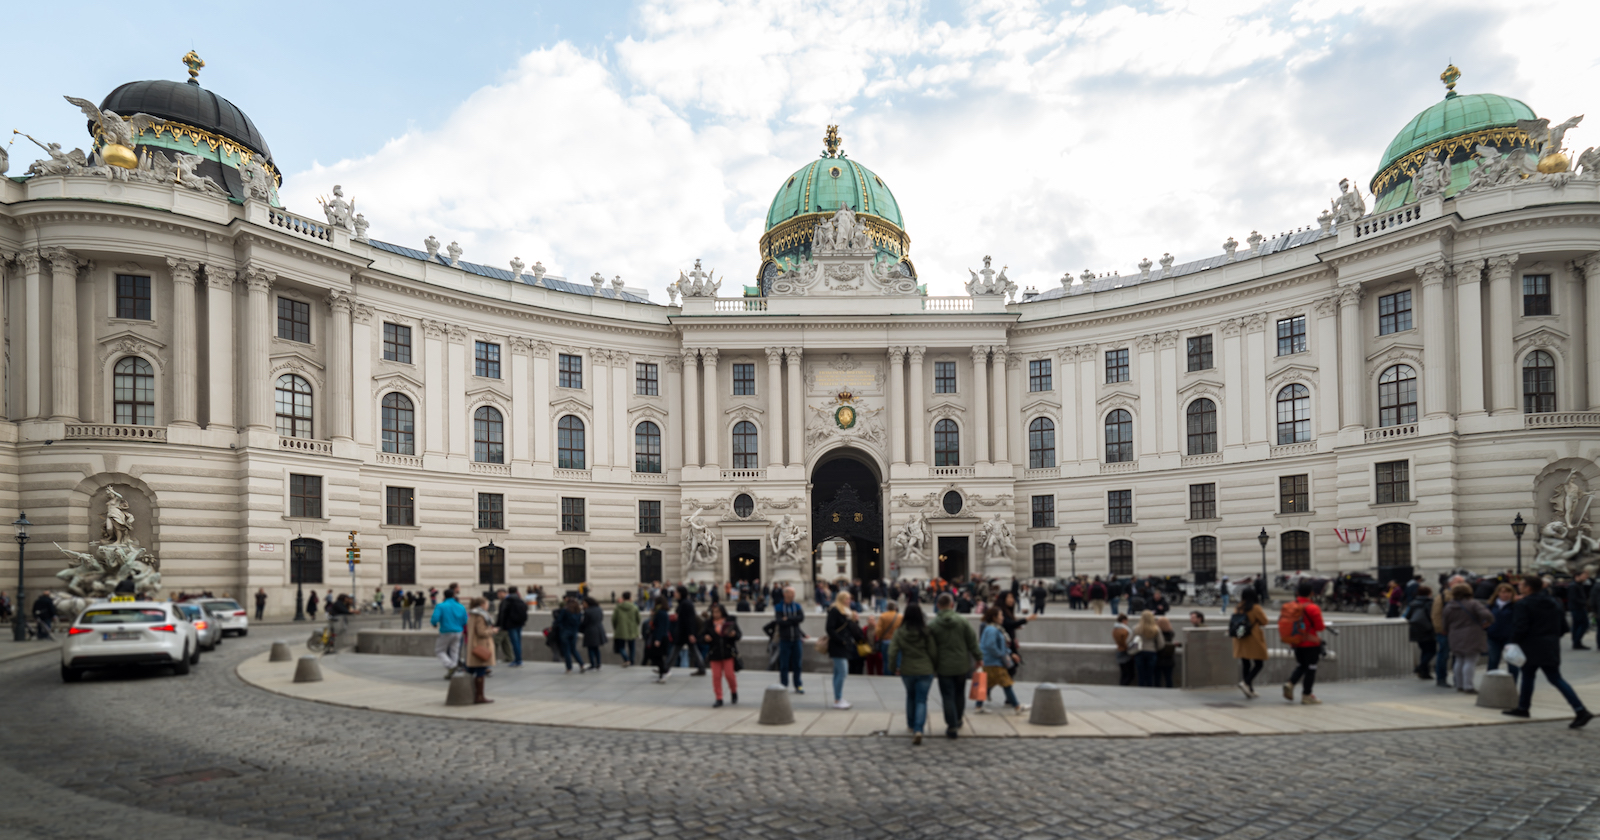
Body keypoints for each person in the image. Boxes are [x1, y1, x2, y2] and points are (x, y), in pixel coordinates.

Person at [1505, 575, 1592, 727]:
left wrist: (1512, 642)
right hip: (1550, 645)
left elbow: (1520, 627)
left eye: (1522, 585)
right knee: (1554, 678)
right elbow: (1564, 627)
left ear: (1528, 588)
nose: (1519, 586)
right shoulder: (1554, 602)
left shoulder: (1524, 604)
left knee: (1528, 676)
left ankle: (1524, 707)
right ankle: (1579, 709)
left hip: (1530, 645)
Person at [928, 593, 981, 739]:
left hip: (943, 667)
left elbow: (929, 647)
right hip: (961, 666)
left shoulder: (932, 625)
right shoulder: (962, 621)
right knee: (959, 694)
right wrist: (978, 657)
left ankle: (951, 726)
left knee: (947, 696)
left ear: (938, 606)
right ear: (952, 605)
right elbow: (972, 641)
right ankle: (958, 720)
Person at [888, 603, 938, 745]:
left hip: (907, 669)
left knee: (910, 696)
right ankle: (919, 729)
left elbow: (892, 652)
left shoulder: (899, 632)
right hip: (925, 669)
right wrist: (934, 666)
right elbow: (933, 651)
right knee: (921, 700)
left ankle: (910, 725)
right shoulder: (926, 631)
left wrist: (893, 667)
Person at [1281, 581, 1327, 705]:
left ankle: (1290, 683)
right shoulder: (1312, 607)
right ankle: (1307, 695)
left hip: (1295, 642)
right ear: (1311, 593)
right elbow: (1320, 627)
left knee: (1301, 665)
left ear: (1297, 592)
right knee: (1311, 669)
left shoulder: (1290, 606)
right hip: (1311, 644)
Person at [1442, 583, 1492, 693]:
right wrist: (1488, 622)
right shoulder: (1473, 604)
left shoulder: (1449, 606)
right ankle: (1468, 686)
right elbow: (1487, 614)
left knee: (1459, 659)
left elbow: (1445, 624)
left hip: (1454, 635)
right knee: (1470, 660)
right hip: (1472, 634)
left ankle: (1459, 685)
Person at [979, 606, 1028, 714]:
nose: (1002, 618)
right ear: (994, 617)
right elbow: (991, 646)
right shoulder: (992, 630)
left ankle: (978, 706)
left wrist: (1010, 654)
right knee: (1007, 684)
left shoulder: (993, 628)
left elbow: (1000, 645)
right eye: (1000, 615)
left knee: (988, 683)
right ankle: (1017, 706)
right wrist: (1002, 655)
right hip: (994, 662)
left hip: (990, 661)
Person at [825, 591, 865, 709]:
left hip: (845, 645)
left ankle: (838, 698)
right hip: (838, 645)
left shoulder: (847, 611)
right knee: (843, 672)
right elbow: (829, 628)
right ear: (841, 599)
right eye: (847, 599)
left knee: (838, 673)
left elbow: (852, 629)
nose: (849, 601)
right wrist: (841, 640)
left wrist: (855, 620)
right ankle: (838, 699)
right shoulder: (835, 610)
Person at [702, 602, 742, 707]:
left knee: (729, 675)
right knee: (716, 676)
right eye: (713, 612)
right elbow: (701, 636)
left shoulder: (730, 622)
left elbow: (738, 635)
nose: (715, 614)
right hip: (714, 653)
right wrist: (706, 638)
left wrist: (733, 635)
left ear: (722, 612)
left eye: (717, 612)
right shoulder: (709, 623)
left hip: (727, 652)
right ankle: (718, 698)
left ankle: (734, 691)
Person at [1231, 587, 1268, 698]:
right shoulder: (1255, 608)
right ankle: (1246, 682)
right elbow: (1264, 621)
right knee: (1259, 663)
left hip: (1240, 636)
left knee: (1245, 663)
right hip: (1253, 638)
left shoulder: (1238, 607)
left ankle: (1249, 690)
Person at [1431, 574, 1466, 688]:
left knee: (1459, 656)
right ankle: (1441, 678)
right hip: (1445, 631)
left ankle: (1458, 680)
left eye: (1463, 582)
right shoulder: (1442, 596)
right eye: (1458, 582)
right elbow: (1436, 614)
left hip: (1461, 630)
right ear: (1450, 583)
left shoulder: (1466, 597)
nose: (1461, 584)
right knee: (1444, 654)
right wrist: (1440, 629)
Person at [774, 586, 807, 694]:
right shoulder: (779, 607)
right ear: (785, 594)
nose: (793, 595)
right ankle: (784, 684)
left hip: (796, 638)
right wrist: (793, 619)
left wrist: (788, 618)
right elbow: (779, 621)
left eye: (793, 593)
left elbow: (801, 618)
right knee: (784, 664)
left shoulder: (797, 606)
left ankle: (798, 684)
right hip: (785, 639)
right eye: (791, 593)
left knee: (797, 663)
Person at [429, 588, 468, 679]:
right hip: (458, 631)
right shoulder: (461, 606)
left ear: (444, 596)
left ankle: (450, 666)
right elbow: (465, 620)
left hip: (446, 631)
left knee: (440, 650)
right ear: (454, 596)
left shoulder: (441, 606)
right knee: (454, 651)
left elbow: (435, 618)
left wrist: (434, 624)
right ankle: (452, 671)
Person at [464, 597, 496, 704]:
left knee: (471, 669)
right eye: (486, 603)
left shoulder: (472, 614)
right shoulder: (481, 616)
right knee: (481, 669)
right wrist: (492, 631)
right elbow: (482, 632)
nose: (488, 605)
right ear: (482, 604)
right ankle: (479, 696)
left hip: (473, 644)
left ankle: (467, 693)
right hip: (481, 646)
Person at [1485, 582, 1520, 679]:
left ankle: (1512, 685)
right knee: (1493, 661)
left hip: (1510, 637)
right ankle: (1490, 685)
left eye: (1508, 592)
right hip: (1493, 636)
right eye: (1503, 592)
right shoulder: (1492, 605)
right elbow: (1485, 617)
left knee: (1512, 663)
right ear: (1498, 593)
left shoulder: (1515, 605)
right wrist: (1487, 627)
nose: (1505, 594)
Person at [1404, 585, 1436, 679]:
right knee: (1432, 651)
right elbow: (1433, 616)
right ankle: (1420, 667)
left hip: (1416, 630)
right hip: (1428, 630)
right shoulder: (1430, 603)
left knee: (1424, 651)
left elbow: (1407, 616)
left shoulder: (1413, 603)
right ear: (1429, 593)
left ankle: (1424, 673)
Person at [674, 586, 707, 676]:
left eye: (676, 592)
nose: (674, 594)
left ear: (681, 593)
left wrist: (691, 633)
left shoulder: (686, 604)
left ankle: (665, 669)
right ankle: (702, 668)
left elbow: (690, 620)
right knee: (692, 651)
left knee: (675, 651)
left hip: (685, 633)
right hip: (685, 633)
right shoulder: (684, 603)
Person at [497, 587, 528, 666]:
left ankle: (518, 660)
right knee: (518, 642)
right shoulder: (520, 600)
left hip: (510, 625)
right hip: (519, 624)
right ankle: (519, 658)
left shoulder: (506, 601)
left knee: (514, 643)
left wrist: (500, 625)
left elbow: (502, 614)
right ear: (517, 591)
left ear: (508, 592)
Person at [1132, 610, 1161, 687]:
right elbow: (1161, 643)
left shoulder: (1136, 628)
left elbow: (1130, 641)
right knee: (1150, 674)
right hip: (1151, 652)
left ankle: (1141, 687)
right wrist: (1155, 649)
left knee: (1140, 673)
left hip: (1139, 652)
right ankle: (1149, 687)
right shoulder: (1156, 629)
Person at [555, 596, 584, 673]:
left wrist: (561, 627)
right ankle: (581, 664)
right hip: (574, 632)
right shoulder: (578, 612)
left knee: (567, 650)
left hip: (565, 632)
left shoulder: (565, 610)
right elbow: (580, 622)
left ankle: (569, 668)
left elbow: (559, 620)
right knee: (573, 649)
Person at [648, 596, 674, 683]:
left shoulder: (660, 613)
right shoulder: (662, 612)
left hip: (659, 637)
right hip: (663, 637)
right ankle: (662, 675)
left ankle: (665, 671)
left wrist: (658, 639)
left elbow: (660, 627)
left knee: (655, 656)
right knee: (658, 656)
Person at [874, 602, 903, 676]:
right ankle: (896, 672)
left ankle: (887, 675)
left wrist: (880, 637)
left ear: (887, 608)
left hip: (885, 641)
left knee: (886, 661)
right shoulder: (900, 617)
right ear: (895, 608)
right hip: (896, 641)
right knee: (896, 659)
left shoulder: (883, 616)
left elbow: (878, 630)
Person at [613, 591, 640, 667]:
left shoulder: (618, 607)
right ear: (630, 598)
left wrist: (616, 627)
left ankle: (626, 659)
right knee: (632, 647)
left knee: (621, 647)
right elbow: (638, 619)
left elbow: (614, 619)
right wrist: (635, 625)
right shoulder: (635, 607)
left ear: (623, 598)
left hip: (621, 630)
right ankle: (631, 661)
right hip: (632, 630)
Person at [581, 596, 608, 671]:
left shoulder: (587, 611)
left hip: (590, 631)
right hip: (599, 629)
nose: (583, 605)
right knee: (596, 648)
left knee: (590, 648)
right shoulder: (599, 609)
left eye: (583, 603)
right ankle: (598, 663)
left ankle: (592, 664)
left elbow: (584, 622)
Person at [1568, 572, 1592, 650]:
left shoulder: (1578, 585)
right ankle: (1577, 641)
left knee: (1577, 624)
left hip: (1578, 607)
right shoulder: (1573, 586)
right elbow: (1574, 598)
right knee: (1583, 624)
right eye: (1584, 576)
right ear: (1577, 576)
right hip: (1577, 608)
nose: (1585, 578)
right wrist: (1585, 602)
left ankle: (1576, 642)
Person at [1155, 615, 1180, 688]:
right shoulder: (1171, 633)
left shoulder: (1157, 634)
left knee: (1157, 678)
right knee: (1168, 678)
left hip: (1158, 658)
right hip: (1169, 659)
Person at [1112, 614, 1135, 686]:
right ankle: (1124, 686)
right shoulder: (1124, 631)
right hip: (1125, 652)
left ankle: (1122, 685)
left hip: (1119, 651)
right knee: (1130, 674)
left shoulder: (1115, 629)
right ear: (1124, 620)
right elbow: (1126, 642)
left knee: (1124, 673)